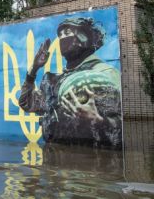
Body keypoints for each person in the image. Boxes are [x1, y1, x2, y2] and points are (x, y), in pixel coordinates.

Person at [18, 17, 122, 148]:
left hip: (89, 162)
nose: (62, 38)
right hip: (53, 160)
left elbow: (121, 129)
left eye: (67, 33)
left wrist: (98, 120)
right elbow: (26, 103)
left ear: (84, 38)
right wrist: (34, 69)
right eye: (60, 35)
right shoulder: (54, 81)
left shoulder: (106, 73)